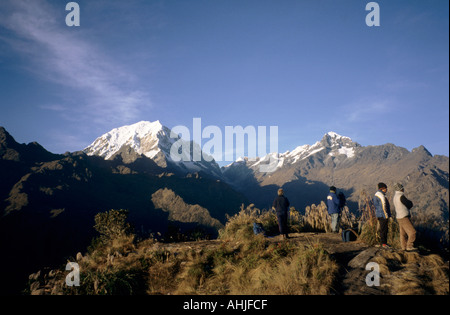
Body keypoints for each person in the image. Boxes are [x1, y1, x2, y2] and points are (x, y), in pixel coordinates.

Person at [393, 183, 417, 251]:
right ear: (401, 189)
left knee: (403, 233)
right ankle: (409, 246)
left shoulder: (395, 196)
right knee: (412, 232)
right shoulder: (401, 196)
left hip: (398, 217)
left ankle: (403, 247)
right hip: (404, 216)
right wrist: (411, 203)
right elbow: (409, 204)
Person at [373, 182, 391, 248]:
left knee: (382, 229)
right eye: (386, 188)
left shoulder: (376, 195)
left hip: (379, 214)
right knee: (384, 229)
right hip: (383, 215)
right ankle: (384, 243)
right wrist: (386, 215)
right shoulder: (381, 195)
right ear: (382, 188)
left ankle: (383, 243)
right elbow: (383, 206)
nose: (386, 189)